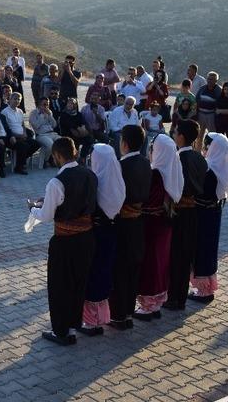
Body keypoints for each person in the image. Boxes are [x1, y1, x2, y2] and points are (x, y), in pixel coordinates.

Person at [26, 137, 97, 346]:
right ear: (74, 152)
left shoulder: (57, 181)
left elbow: (47, 215)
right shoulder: (90, 174)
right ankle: (74, 325)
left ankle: (61, 331)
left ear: (56, 155)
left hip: (65, 241)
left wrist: (33, 208)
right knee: (78, 284)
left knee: (59, 287)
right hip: (86, 237)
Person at [108, 125, 152, 330]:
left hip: (122, 223)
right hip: (138, 221)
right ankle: (127, 312)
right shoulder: (146, 162)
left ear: (124, 143)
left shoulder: (120, 166)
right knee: (133, 267)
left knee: (120, 269)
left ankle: (118, 315)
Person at [134, 134, 183, 321]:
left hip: (151, 225)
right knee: (161, 262)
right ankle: (156, 303)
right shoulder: (171, 170)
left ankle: (148, 306)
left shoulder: (155, 174)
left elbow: (144, 200)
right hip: (164, 222)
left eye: (153, 149)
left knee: (151, 264)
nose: (151, 152)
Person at [80, 143, 125, 336]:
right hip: (112, 232)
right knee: (104, 272)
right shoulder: (117, 178)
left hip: (95, 235)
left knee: (93, 273)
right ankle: (99, 318)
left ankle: (91, 322)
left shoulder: (94, 181)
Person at [163, 120, 208, 311]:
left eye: (175, 132)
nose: (174, 135)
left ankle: (173, 297)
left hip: (179, 212)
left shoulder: (179, 159)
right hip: (194, 211)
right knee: (185, 255)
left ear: (181, 136)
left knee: (176, 256)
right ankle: (179, 297)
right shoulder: (199, 157)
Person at [189, 133, 228, 304]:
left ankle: (204, 290)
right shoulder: (221, 166)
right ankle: (204, 287)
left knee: (202, 249)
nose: (205, 149)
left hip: (203, 215)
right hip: (213, 213)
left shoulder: (209, 169)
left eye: (208, 146)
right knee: (208, 248)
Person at [2, 93, 40, 174]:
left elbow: (22, 124)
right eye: (15, 98)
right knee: (24, 146)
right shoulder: (5, 112)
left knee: (36, 144)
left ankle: (20, 159)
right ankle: (19, 167)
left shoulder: (20, 111)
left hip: (22, 135)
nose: (17, 101)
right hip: (11, 137)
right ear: (10, 99)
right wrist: (18, 135)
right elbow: (6, 128)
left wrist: (25, 133)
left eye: (19, 99)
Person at [29, 97, 61, 169]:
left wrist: (50, 116)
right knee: (51, 145)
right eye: (44, 104)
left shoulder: (49, 112)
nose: (46, 106)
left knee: (62, 142)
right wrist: (41, 115)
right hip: (41, 134)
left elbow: (54, 125)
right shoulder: (33, 113)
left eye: (47, 104)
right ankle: (45, 160)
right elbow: (36, 126)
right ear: (39, 105)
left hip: (52, 133)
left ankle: (55, 159)